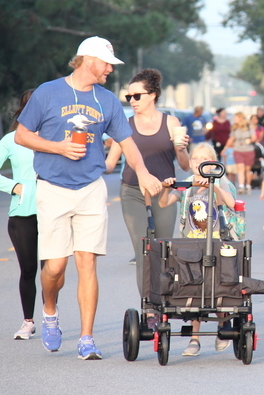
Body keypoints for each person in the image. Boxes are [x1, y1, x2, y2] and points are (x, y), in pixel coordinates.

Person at [15, 36, 163, 359]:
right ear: (87, 60)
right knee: (54, 267)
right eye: (107, 63)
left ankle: (86, 338)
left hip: (90, 189)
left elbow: (128, 141)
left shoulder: (106, 100)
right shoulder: (48, 92)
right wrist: (59, 147)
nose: (110, 69)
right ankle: (50, 311)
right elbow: (22, 134)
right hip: (53, 187)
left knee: (87, 263)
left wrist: (143, 172)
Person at [104, 68, 190, 298]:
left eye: (137, 96)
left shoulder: (171, 122)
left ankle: (165, 300)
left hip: (163, 193)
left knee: (163, 250)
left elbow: (185, 165)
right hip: (132, 192)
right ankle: (150, 307)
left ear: (152, 95)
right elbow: (110, 163)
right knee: (144, 250)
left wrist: (181, 148)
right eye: (128, 97)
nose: (132, 101)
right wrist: (82, 161)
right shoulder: (124, 124)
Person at [157, 142, 236, 356]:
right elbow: (164, 203)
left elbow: (230, 202)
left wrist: (213, 185)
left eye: (204, 159)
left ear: (213, 163)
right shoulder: (188, 185)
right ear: (190, 163)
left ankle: (222, 327)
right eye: (195, 159)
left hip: (216, 243)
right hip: (191, 244)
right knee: (193, 287)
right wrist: (167, 187)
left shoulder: (220, 181)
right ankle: (194, 338)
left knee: (217, 287)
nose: (199, 163)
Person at [0, 89, 40, 341]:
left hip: (54, 210)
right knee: (28, 271)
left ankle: (51, 317)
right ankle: (28, 322)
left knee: (52, 270)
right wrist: (14, 187)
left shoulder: (58, 138)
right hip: (22, 214)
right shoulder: (11, 139)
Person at [226, 111, 256, 194]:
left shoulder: (249, 126)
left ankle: (248, 185)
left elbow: (254, 137)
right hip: (238, 149)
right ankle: (241, 186)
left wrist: (249, 140)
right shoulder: (234, 127)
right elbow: (231, 138)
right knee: (240, 168)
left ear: (240, 118)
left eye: (235, 117)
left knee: (247, 169)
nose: (234, 119)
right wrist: (225, 148)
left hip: (248, 149)